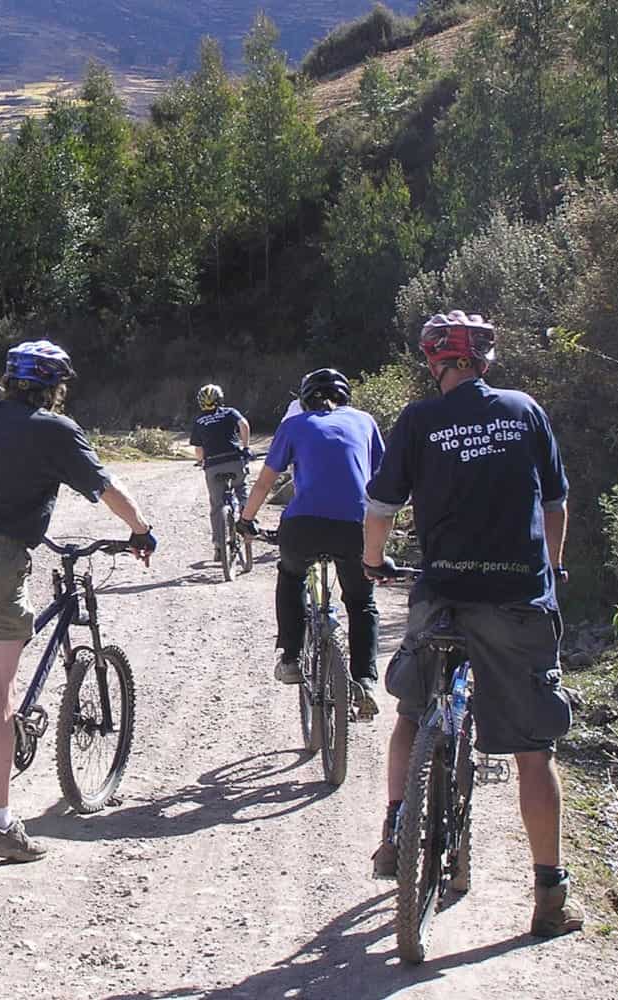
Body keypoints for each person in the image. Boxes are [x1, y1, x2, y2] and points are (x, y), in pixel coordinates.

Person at [363, 311, 583, 938]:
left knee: (410, 712)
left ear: (435, 362)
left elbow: (380, 508)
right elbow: (555, 502)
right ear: (484, 361)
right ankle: (549, 895)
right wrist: (555, 568)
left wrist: (373, 564)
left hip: (444, 592)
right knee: (534, 753)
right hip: (517, 595)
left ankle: (396, 829)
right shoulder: (523, 410)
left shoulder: (419, 420)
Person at [0, 340, 156, 863]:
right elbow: (104, 487)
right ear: (54, 386)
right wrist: (140, 531)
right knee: (2, 693)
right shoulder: (55, 429)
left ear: (8, 380)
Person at [237, 368, 385, 719]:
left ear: (303, 400)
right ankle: (364, 680)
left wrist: (246, 521)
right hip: (356, 525)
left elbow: (264, 484)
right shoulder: (365, 422)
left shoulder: (295, 425)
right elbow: (383, 479)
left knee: (291, 576)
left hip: (303, 526)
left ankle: (290, 657)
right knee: (361, 602)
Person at [190, 383, 252, 568]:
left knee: (217, 504)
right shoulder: (230, 412)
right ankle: (248, 520)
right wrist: (246, 447)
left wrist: (202, 462)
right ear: (220, 399)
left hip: (213, 465)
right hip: (234, 459)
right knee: (241, 488)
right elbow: (244, 425)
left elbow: (199, 449)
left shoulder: (199, 421)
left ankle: (219, 545)